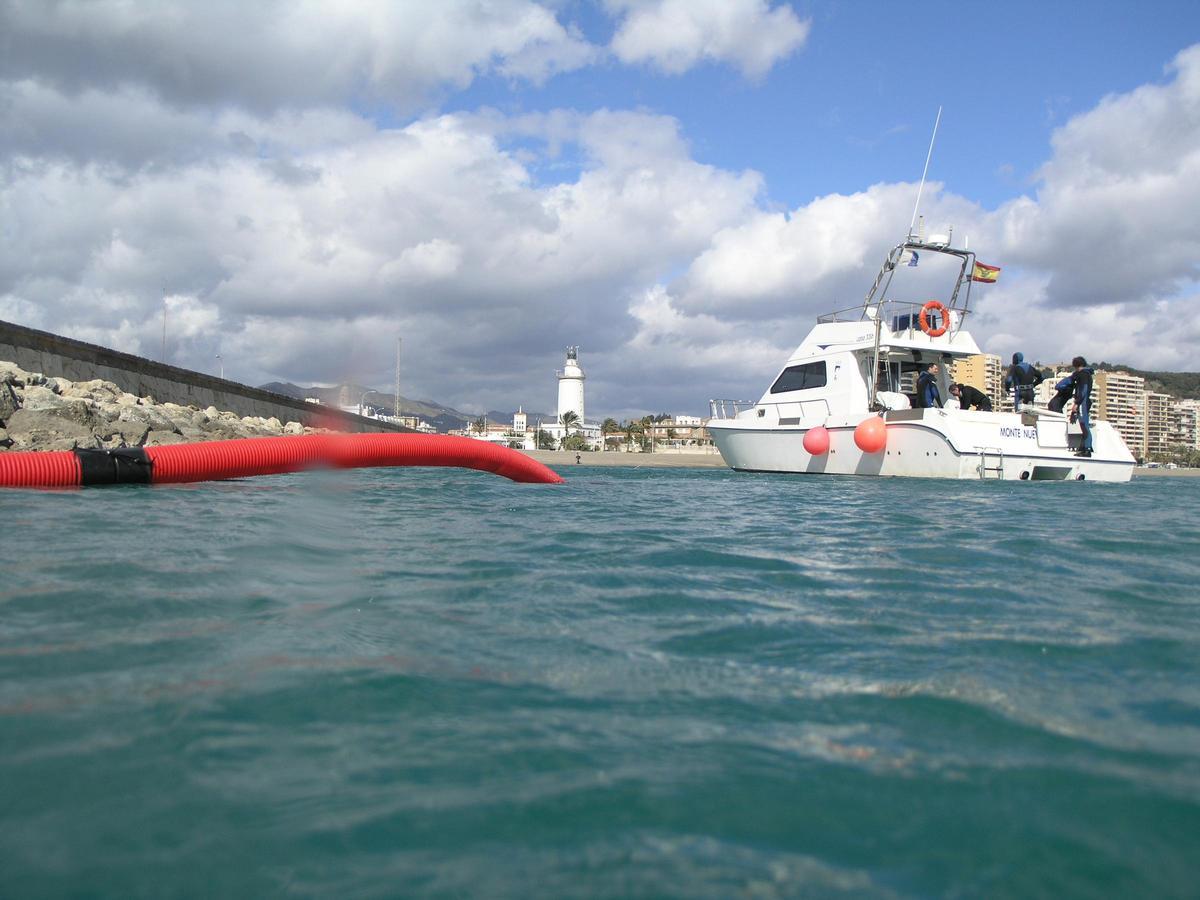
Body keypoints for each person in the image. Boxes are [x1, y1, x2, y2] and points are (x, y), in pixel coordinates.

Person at [1061, 356, 1094, 456]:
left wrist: (1077, 403)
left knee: (1084, 425)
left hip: (1083, 402)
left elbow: (1083, 390)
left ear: (1075, 365)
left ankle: (1087, 449)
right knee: (1083, 425)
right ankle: (1085, 447)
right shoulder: (1087, 374)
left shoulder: (1083, 375)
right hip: (1084, 401)